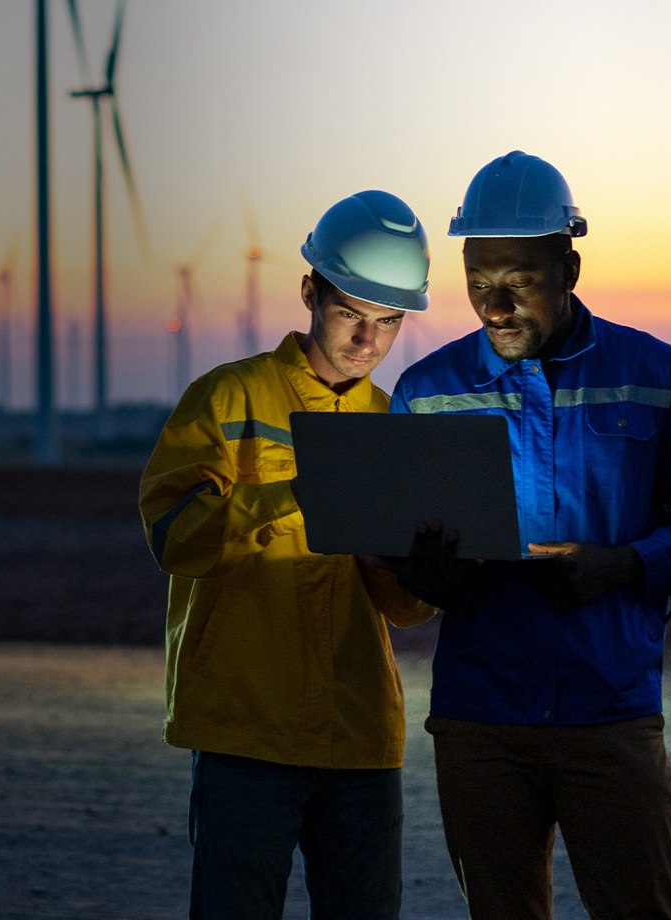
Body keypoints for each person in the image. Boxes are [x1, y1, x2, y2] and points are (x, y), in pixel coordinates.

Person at [390, 150, 671, 920]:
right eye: (479, 281)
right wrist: (427, 577)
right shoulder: (427, 393)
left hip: (609, 713)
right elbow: (396, 556)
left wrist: (625, 565)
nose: (497, 303)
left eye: (520, 278)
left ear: (570, 266)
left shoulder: (659, 374)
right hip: (479, 719)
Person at [139, 190, 438, 920]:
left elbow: (401, 610)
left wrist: (423, 576)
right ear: (310, 291)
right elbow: (174, 538)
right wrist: (300, 493)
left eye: (387, 321)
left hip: (360, 738)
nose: (367, 341)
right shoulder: (226, 398)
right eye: (350, 314)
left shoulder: (393, 424)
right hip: (247, 732)